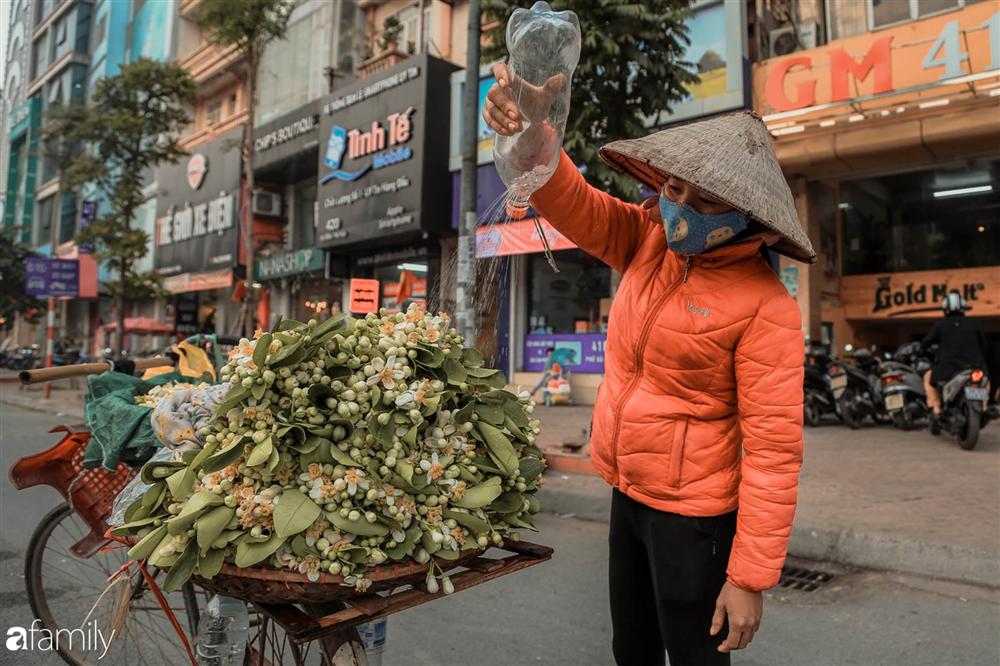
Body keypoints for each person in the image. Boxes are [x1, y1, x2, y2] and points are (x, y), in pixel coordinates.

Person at [485, 63, 815, 665]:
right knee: (630, 650)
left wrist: (749, 579)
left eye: (703, 199)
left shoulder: (767, 309)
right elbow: (575, 203)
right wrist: (535, 134)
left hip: (694, 518)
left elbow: (773, 455)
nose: (679, 207)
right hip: (626, 491)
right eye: (674, 189)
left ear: (744, 214)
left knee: (694, 656)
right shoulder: (647, 239)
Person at [921, 291, 990, 416]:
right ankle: (984, 407)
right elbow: (984, 346)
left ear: (945, 309)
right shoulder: (974, 323)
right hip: (974, 367)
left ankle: (936, 408)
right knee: (984, 381)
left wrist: (922, 350)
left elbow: (926, 343)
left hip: (948, 369)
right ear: (963, 308)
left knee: (927, 377)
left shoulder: (940, 324)